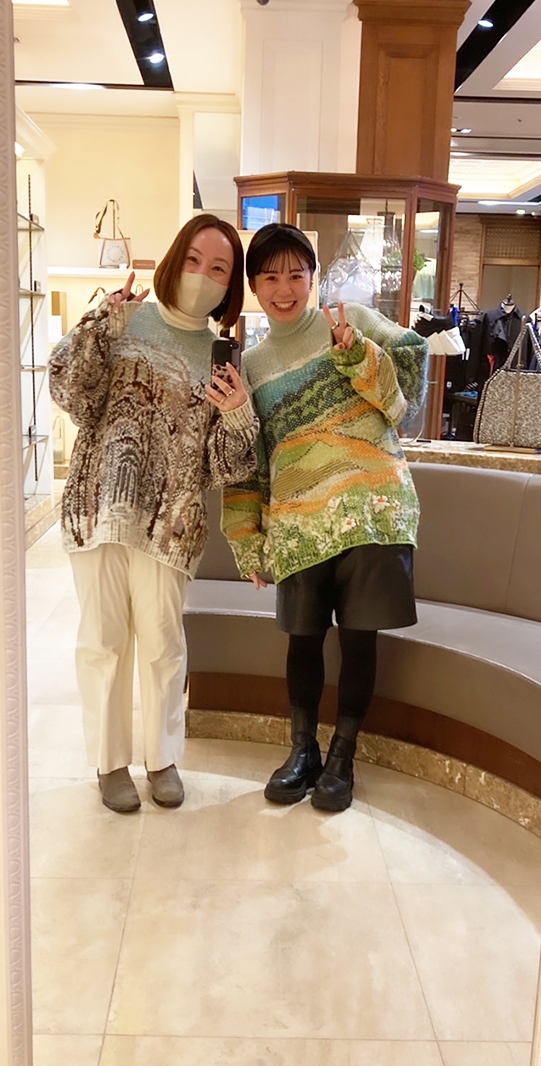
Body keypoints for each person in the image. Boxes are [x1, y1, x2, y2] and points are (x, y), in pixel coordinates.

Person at [49, 214, 258, 814]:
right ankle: (109, 762)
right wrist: (100, 323)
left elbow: (224, 465)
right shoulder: (125, 320)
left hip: (173, 523)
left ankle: (162, 757)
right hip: (100, 506)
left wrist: (239, 412)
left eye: (219, 268)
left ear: (230, 285)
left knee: (164, 643)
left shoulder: (223, 359)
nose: (202, 276)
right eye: (193, 260)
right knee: (103, 641)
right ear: (172, 259)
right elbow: (69, 391)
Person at [222, 223, 428, 812]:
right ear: (254, 287)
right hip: (298, 522)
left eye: (296, 274)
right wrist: (247, 538)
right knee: (303, 640)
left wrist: (358, 355)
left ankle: (342, 757)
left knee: (359, 641)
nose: (284, 289)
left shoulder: (352, 321)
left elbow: (404, 403)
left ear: (313, 278)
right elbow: (249, 459)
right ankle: (302, 751)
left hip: (373, 511)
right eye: (270, 277)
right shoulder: (251, 366)